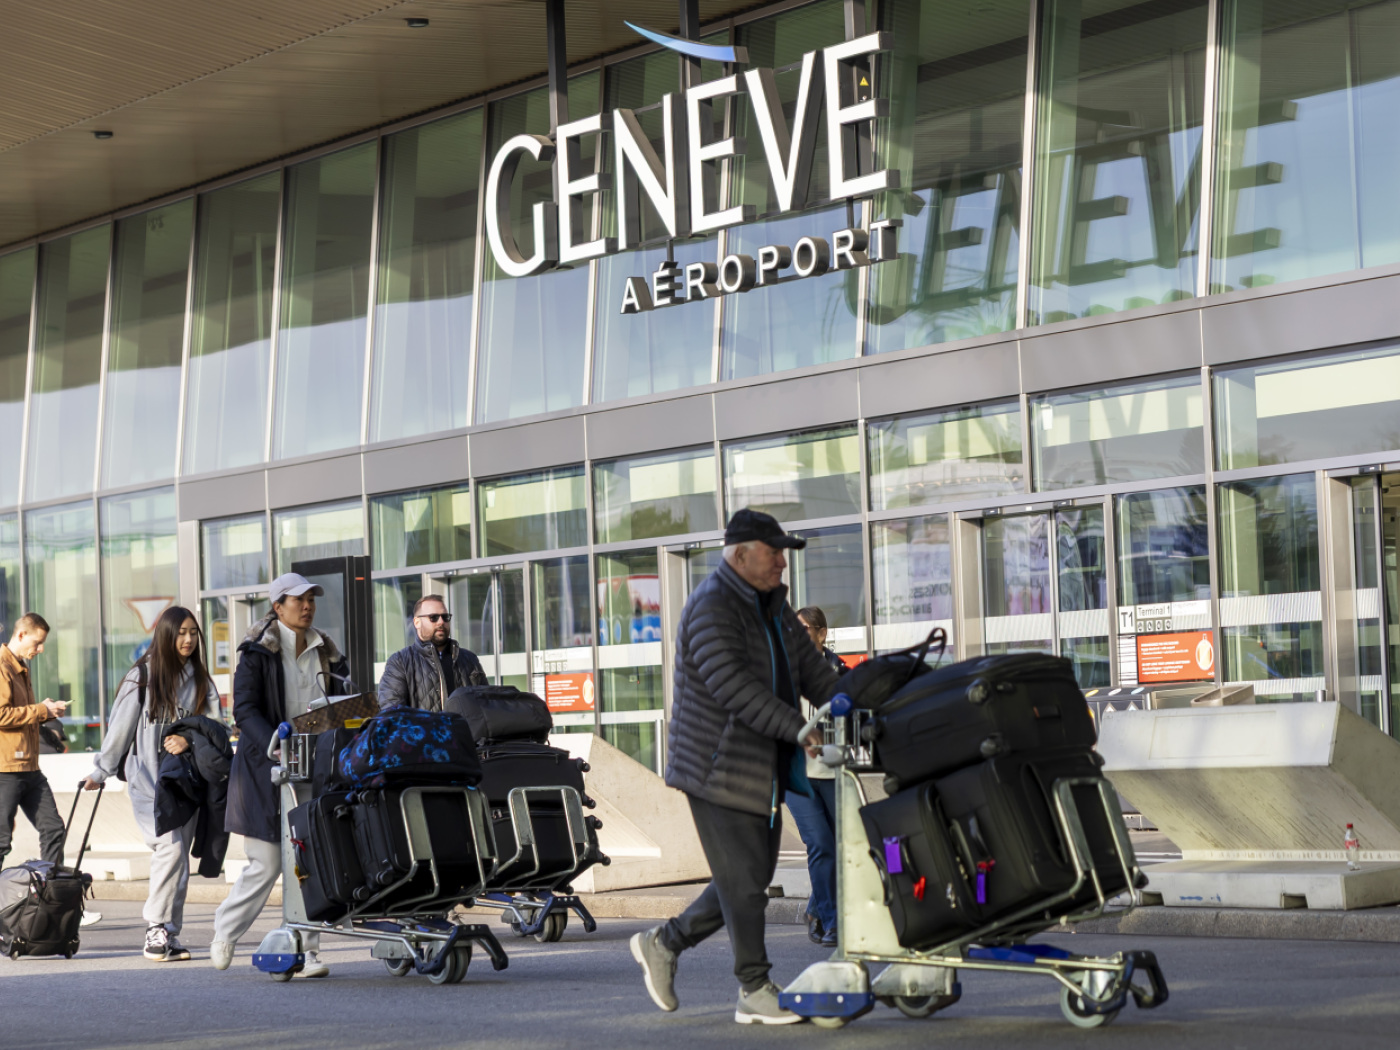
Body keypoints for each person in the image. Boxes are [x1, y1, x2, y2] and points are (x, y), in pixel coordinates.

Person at [631, 509, 840, 1025]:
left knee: (748, 877)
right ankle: (753, 987)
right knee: (745, 882)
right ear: (741, 554)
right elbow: (732, 687)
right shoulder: (711, 606)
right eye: (774, 553)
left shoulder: (774, 608)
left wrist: (864, 697)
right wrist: (798, 727)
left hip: (760, 763)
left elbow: (814, 672)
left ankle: (664, 943)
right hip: (715, 766)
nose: (782, 563)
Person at [210, 573, 353, 975]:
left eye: (311, 600)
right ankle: (225, 933)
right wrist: (272, 741)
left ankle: (307, 949)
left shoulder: (328, 651)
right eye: (298, 600)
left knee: (309, 859)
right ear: (278, 607)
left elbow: (342, 701)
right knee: (267, 862)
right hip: (265, 767)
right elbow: (244, 710)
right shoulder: (257, 651)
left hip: (315, 766)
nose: (307, 606)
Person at [81, 607, 221, 962]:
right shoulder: (142, 677)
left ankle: (169, 934)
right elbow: (120, 728)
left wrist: (189, 739)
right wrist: (101, 771)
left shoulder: (202, 681)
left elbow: (217, 729)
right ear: (166, 635)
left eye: (193, 633)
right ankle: (156, 927)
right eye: (181, 633)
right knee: (170, 850)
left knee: (179, 860)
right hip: (146, 782)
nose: (188, 640)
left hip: (185, 784)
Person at [790, 606, 846, 948]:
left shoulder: (840, 672)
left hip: (832, 771)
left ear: (821, 633)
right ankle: (832, 922)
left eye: (804, 629)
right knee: (821, 844)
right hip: (797, 776)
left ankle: (814, 909)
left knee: (839, 847)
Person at [0, 614, 67, 871]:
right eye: (37, 642)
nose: (40, 649)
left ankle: (51, 893)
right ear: (20, 635)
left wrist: (47, 712)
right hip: (5, 769)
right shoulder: (2, 667)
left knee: (54, 830)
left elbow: (21, 714)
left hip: (29, 767)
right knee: (1, 842)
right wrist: (41, 710)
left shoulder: (20, 667)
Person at [377, 594, 486, 710]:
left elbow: (486, 704)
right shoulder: (400, 662)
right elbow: (392, 710)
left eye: (445, 617)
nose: (441, 622)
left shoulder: (469, 659)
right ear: (417, 622)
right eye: (433, 617)